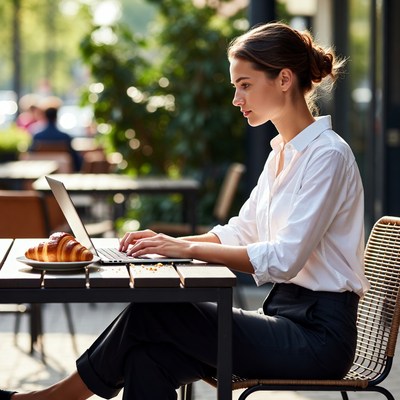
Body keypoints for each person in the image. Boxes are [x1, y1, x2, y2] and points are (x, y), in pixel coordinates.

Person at [5, 21, 369, 400]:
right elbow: (241, 230)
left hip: (318, 340)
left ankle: (51, 398)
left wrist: (187, 250)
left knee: (156, 311)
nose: (236, 99)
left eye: (245, 84)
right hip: (284, 320)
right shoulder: (283, 154)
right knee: (147, 357)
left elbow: (284, 258)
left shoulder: (327, 155)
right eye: (235, 87)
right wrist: (169, 243)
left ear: (284, 79)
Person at [29, 97, 82, 172]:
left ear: (45, 117)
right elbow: (74, 158)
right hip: (63, 172)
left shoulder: (37, 136)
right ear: (56, 117)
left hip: (41, 170)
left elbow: (31, 154)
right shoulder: (65, 137)